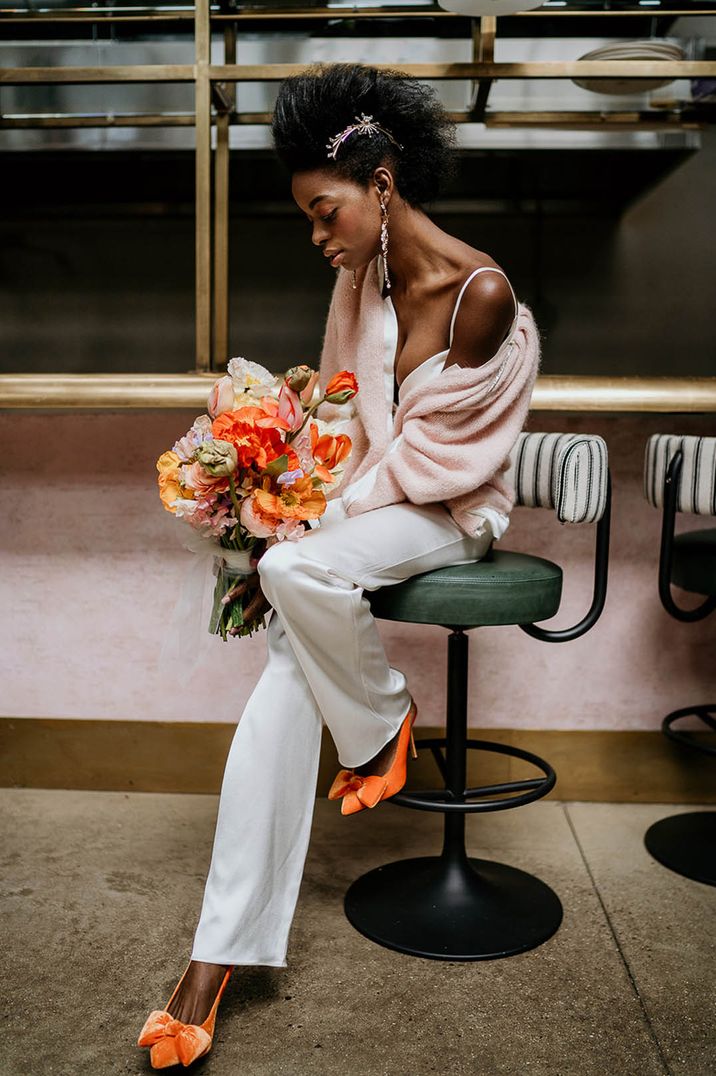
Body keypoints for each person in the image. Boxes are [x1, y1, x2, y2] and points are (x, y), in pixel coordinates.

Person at [138, 61, 540, 1069]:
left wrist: (305, 537)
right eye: (311, 219)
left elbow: (435, 464)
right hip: (373, 512)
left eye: (327, 212)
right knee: (285, 649)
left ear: (382, 181)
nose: (320, 236)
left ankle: (386, 715)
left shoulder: (479, 294)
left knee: (297, 577)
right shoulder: (357, 278)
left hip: (452, 513)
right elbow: (347, 426)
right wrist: (288, 499)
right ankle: (213, 957)